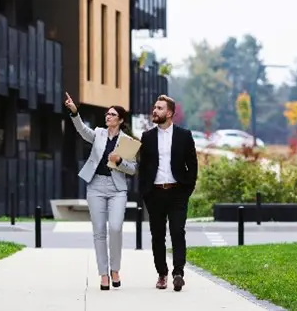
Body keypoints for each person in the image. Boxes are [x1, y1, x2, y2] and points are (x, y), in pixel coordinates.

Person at [64, 92, 137, 291]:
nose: (108, 116)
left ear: (121, 120)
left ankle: (115, 269)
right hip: (95, 185)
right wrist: (74, 112)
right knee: (99, 232)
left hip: (117, 189)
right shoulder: (98, 133)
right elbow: (81, 130)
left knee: (115, 228)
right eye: (107, 114)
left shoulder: (128, 142)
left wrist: (120, 161)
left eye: (112, 114)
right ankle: (104, 274)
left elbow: (132, 169)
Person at [138, 94, 198, 292]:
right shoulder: (147, 137)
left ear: (170, 113)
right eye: (155, 107)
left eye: (160, 108)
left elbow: (193, 165)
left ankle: (178, 273)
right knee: (157, 236)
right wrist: (145, 192)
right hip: (154, 193)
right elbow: (143, 167)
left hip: (177, 192)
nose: (155, 111)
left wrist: (186, 189)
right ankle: (162, 273)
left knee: (178, 232)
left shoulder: (184, 135)